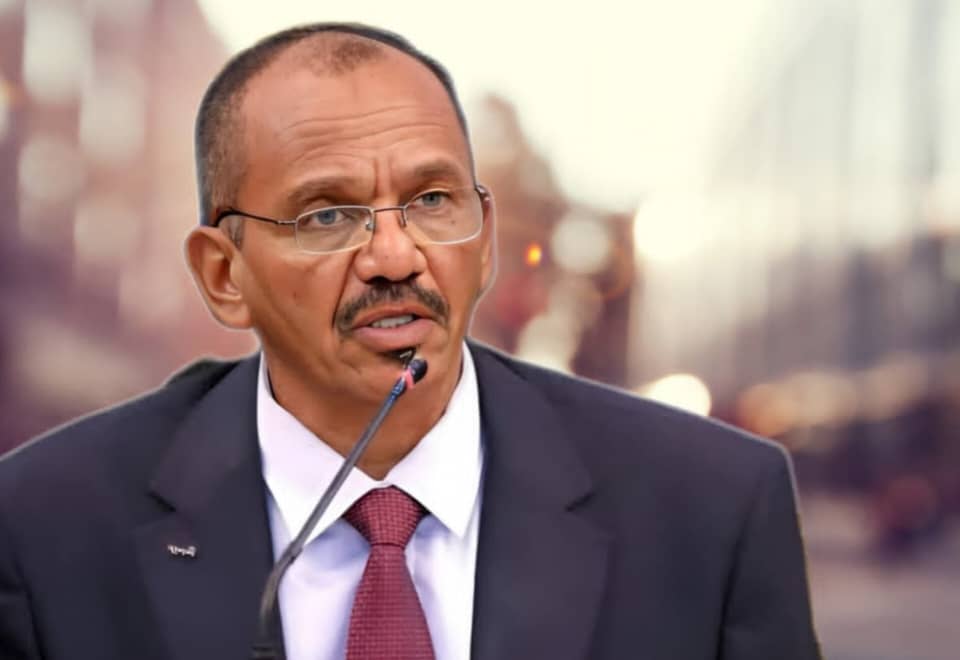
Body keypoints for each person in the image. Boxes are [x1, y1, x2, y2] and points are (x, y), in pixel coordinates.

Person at [0, 23, 820, 660]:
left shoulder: (712, 509)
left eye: (432, 201)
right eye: (327, 214)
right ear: (224, 275)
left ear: (485, 240)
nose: (395, 257)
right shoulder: (42, 529)